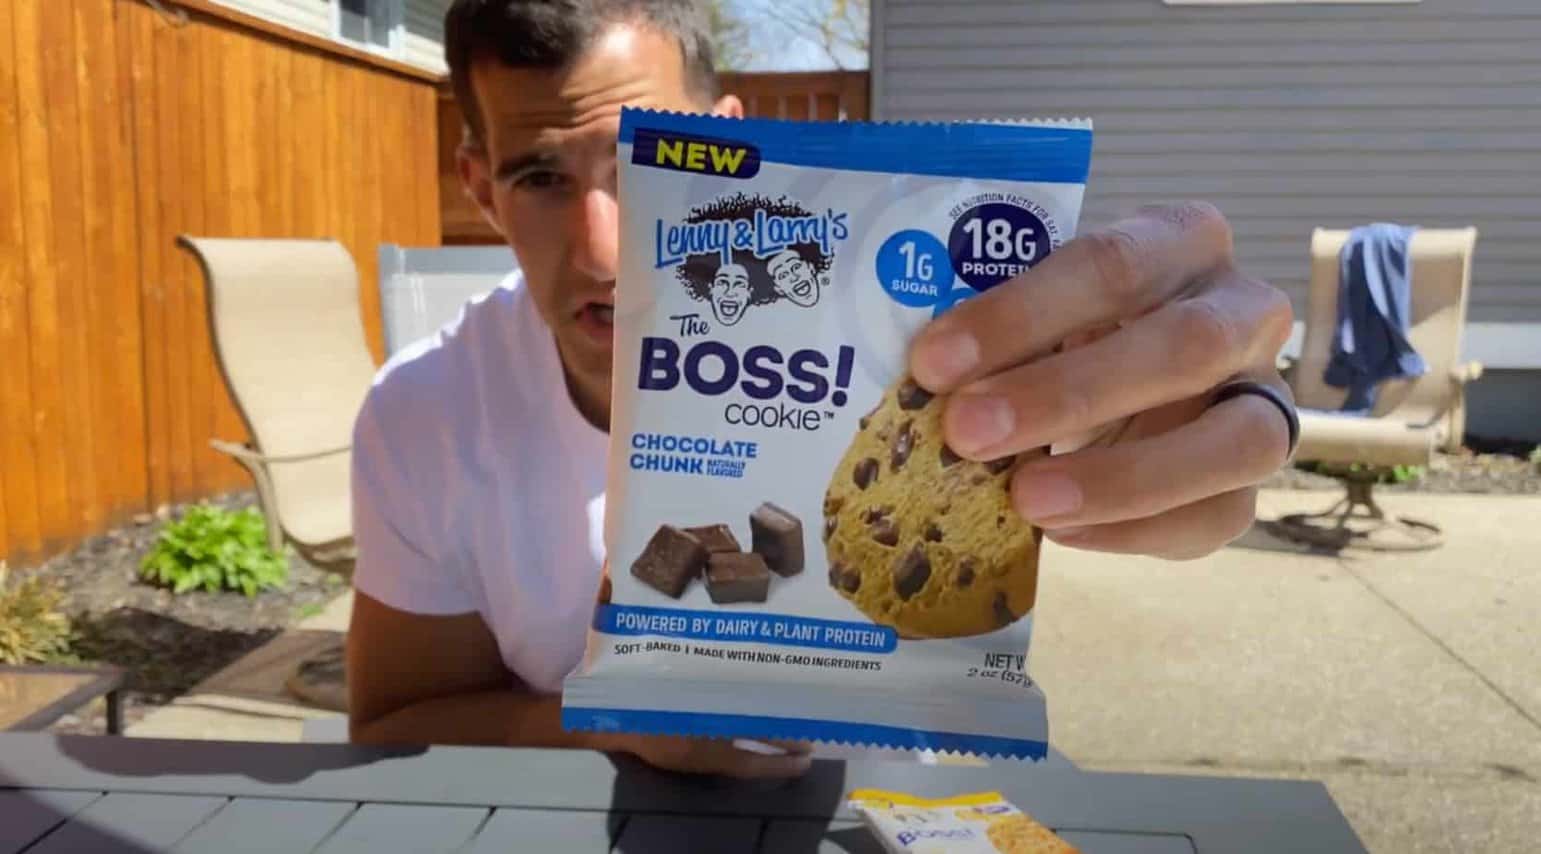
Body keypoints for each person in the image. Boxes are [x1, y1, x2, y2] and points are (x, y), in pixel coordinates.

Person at [345, 0, 1298, 781]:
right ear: (480, 187)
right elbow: (395, 721)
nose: (602, 252)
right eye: (540, 177)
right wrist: (611, 724)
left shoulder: (893, 335)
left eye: (640, 166)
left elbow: (1092, 404)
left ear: (727, 139)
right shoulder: (426, 416)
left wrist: (1215, 402)